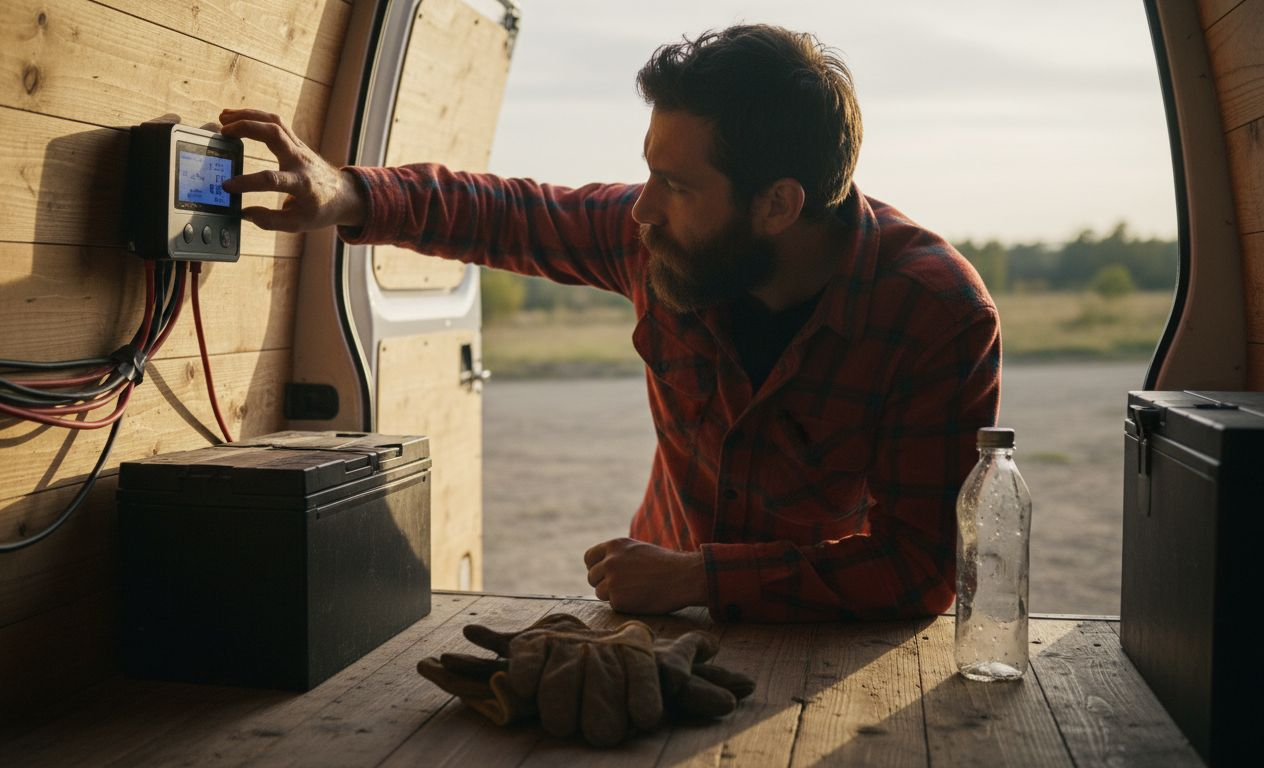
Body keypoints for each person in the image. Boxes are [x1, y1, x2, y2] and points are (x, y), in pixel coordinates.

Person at [219, 24, 1000, 623]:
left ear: (779, 205)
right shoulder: (659, 240)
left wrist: (698, 578)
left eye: (675, 183)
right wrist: (348, 194)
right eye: (647, 170)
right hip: (649, 614)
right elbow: (510, 213)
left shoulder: (936, 315)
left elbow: (920, 568)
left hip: (817, 631)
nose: (642, 208)